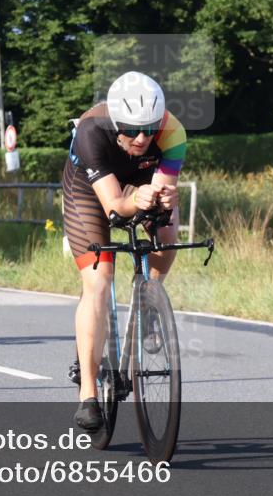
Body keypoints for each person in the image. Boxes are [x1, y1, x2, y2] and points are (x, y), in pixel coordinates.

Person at [61, 72, 187, 430]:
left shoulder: (173, 132)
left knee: (167, 229)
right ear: (116, 123)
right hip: (89, 190)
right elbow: (115, 207)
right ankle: (88, 394)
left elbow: (162, 194)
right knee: (100, 280)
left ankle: (150, 301)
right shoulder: (91, 131)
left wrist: (163, 199)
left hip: (137, 183)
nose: (142, 138)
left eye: (150, 129)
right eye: (132, 130)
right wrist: (136, 200)